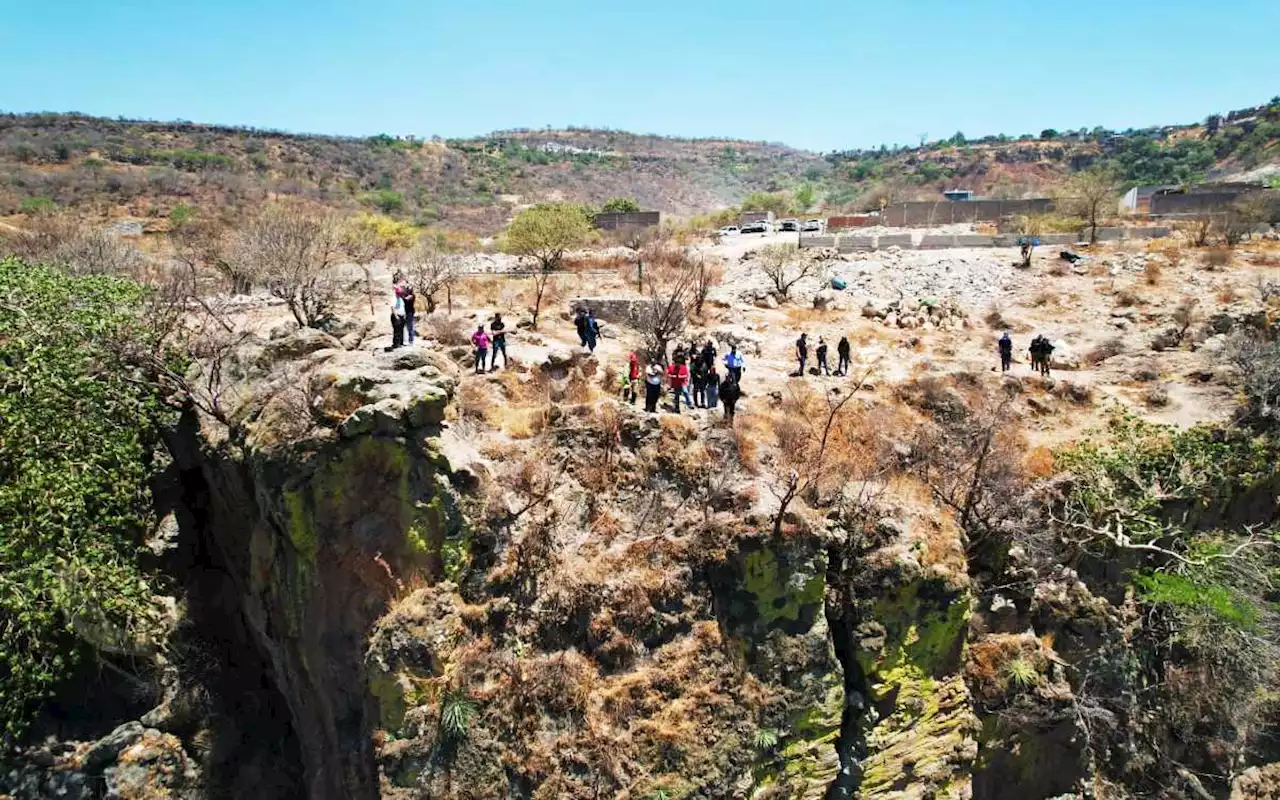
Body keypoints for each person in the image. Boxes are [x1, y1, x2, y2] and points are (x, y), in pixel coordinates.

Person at [399, 276, 417, 346]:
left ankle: (411, 341)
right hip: (405, 311)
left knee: (410, 327)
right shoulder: (406, 294)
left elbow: (406, 300)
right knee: (403, 327)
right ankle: (404, 340)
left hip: (410, 312)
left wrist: (401, 295)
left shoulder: (412, 295)